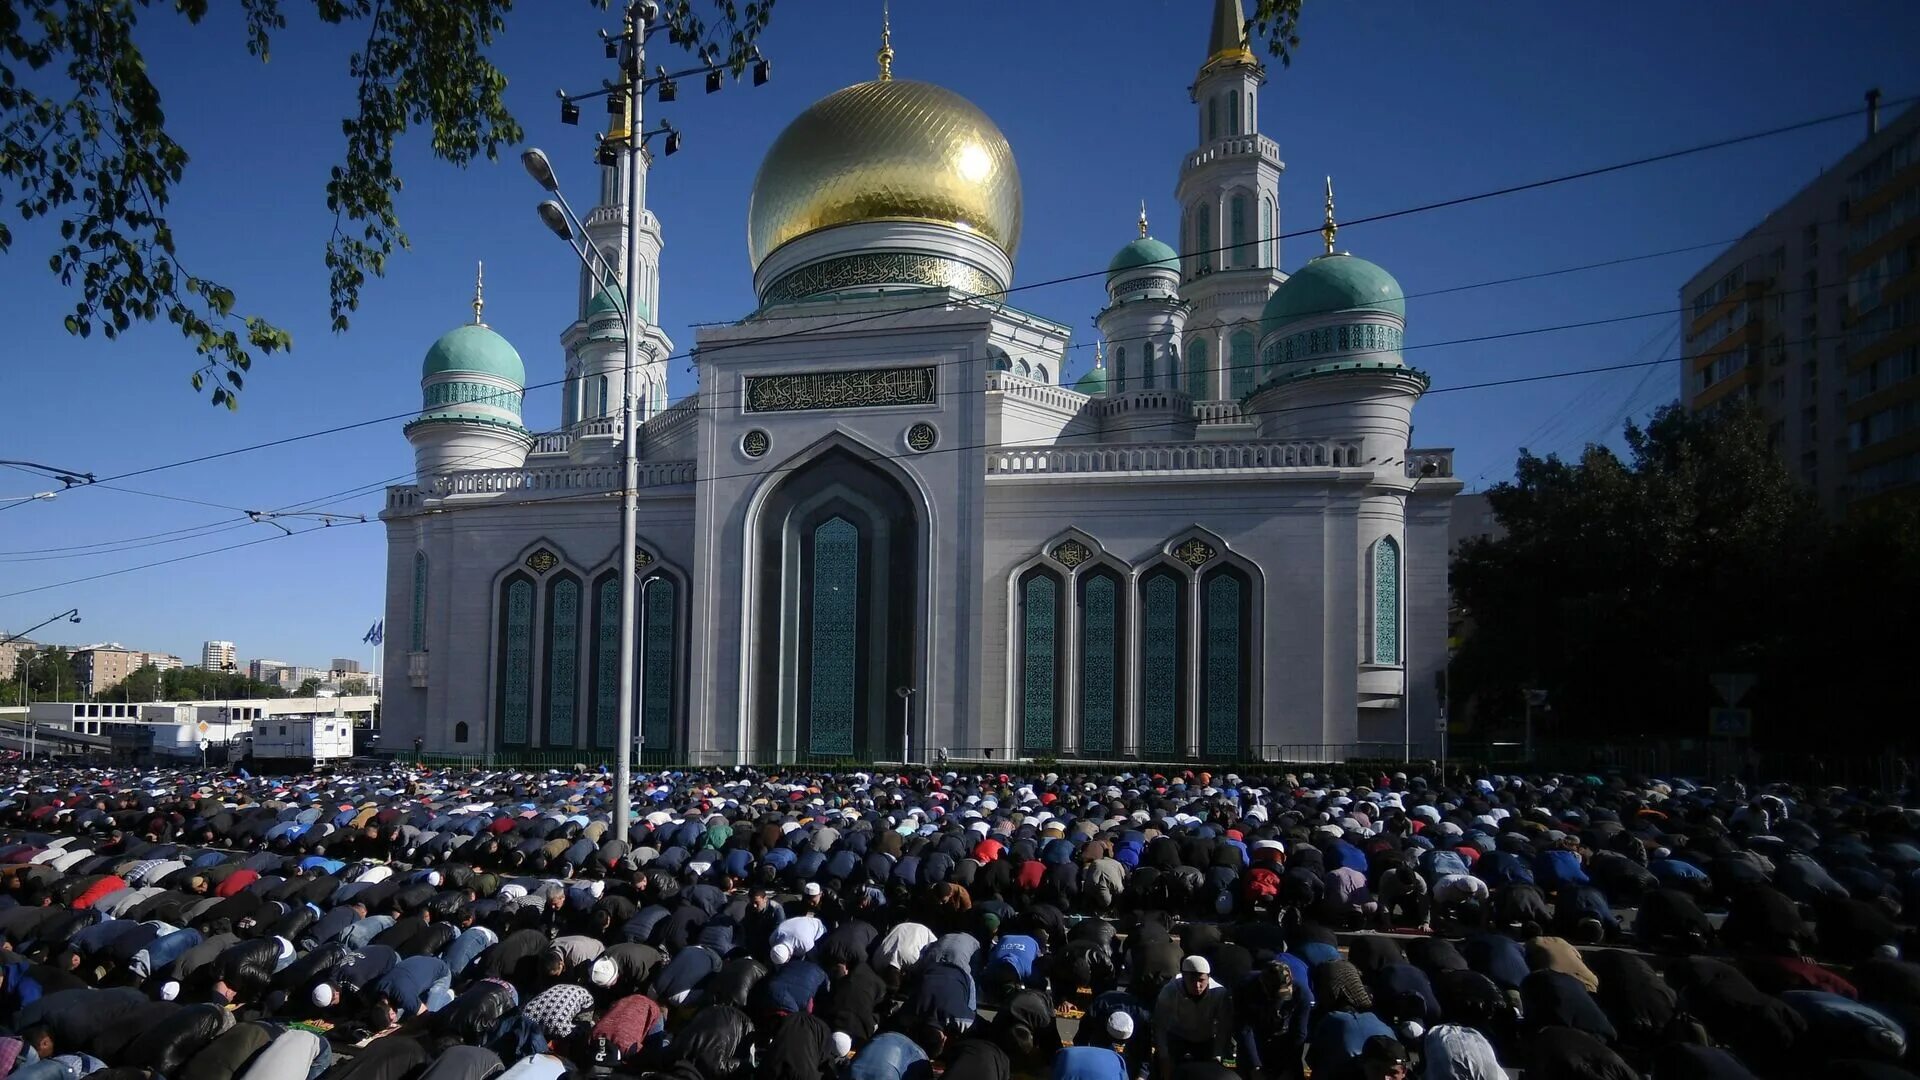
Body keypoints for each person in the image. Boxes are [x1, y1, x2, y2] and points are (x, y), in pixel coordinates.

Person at [1151, 956, 1231, 1078]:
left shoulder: (1219, 993)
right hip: (1177, 1036)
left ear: (1208, 978)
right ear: (1183, 977)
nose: (1197, 985)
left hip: (1205, 1039)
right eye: (1192, 981)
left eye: (1201, 980)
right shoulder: (1170, 991)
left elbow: (1223, 1026)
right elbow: (1160, 1025)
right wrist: (1164, 1056)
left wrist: (1217, 1055)